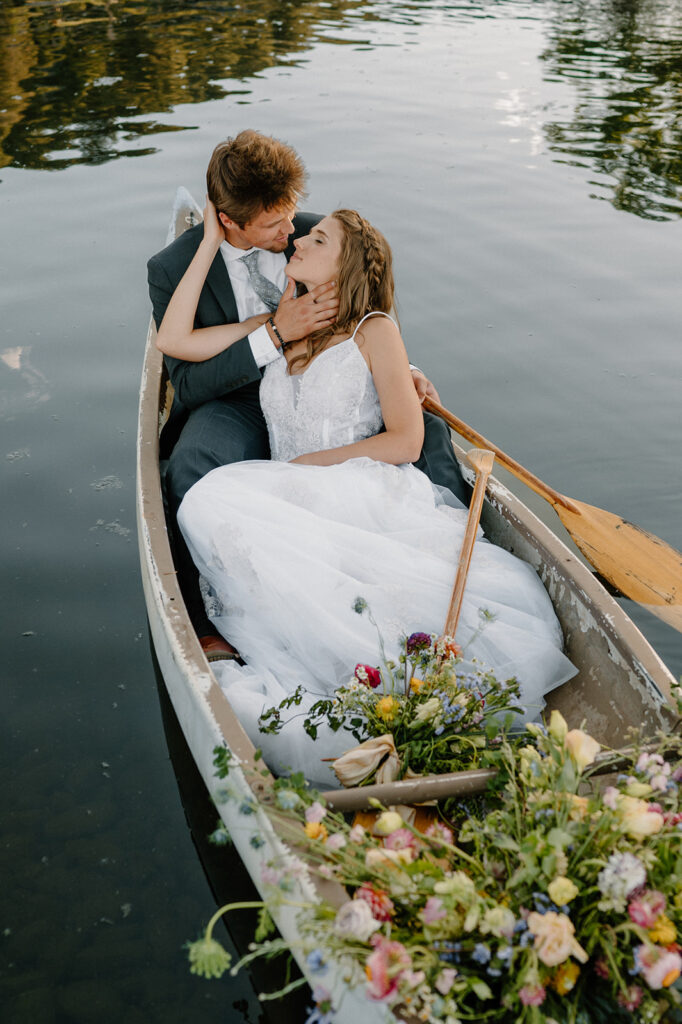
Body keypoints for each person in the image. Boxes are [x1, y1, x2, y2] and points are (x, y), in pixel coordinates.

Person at [172, 202, 576, 787]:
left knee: (218, 502)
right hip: (296, 493)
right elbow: (179, 340)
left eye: (317, 239)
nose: (300, 242)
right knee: (209, 503)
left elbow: (407, 439)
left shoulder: (375, 330)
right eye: (302, 235)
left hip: (356, 486)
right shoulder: (289, 323)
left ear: (345, 268)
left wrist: (321, 460)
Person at [147, 129, 470, 662]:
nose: (290, 232)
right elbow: (186, 381)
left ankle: (453, 548)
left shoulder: (309, 234)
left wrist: (397, 368)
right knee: (194, 461)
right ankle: (207, 621)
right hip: (236, 394)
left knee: (429, 427)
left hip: (322, 380)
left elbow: (362, 311)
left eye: (292, 216)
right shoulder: (171, 269)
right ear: (228, 220)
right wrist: (275, 333)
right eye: (273, 225)